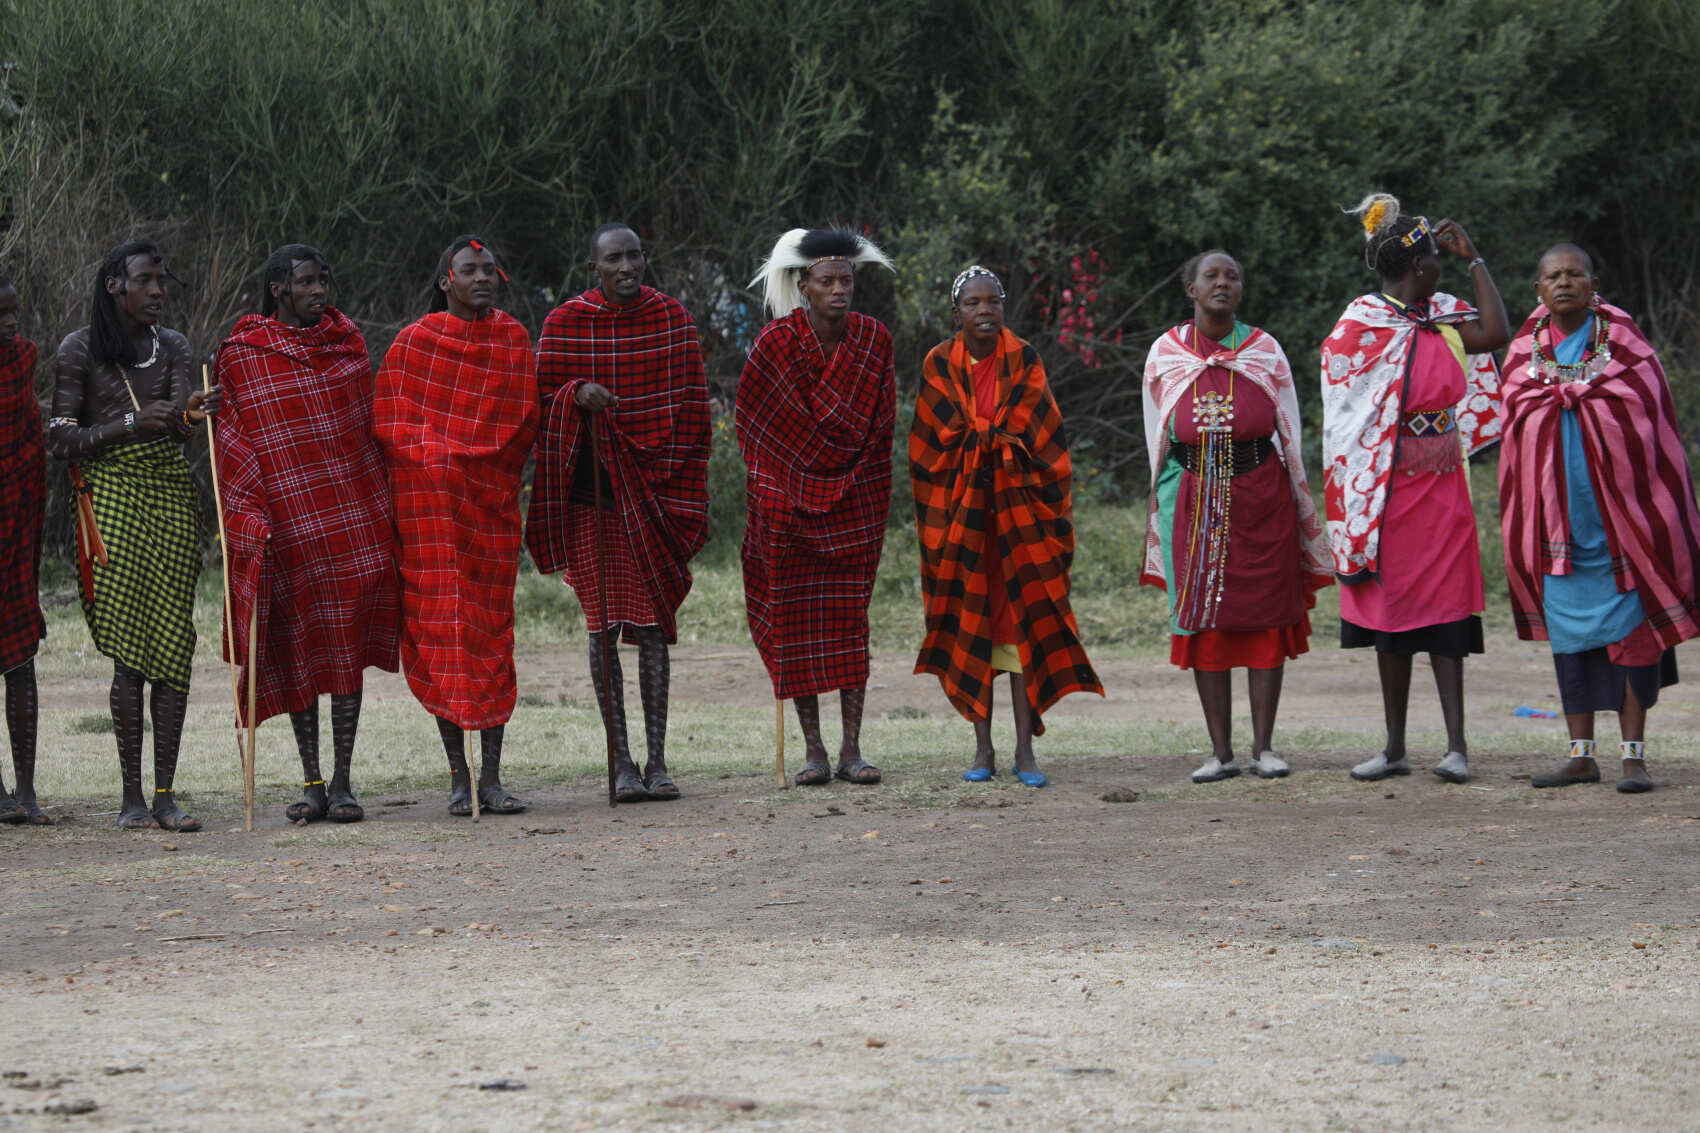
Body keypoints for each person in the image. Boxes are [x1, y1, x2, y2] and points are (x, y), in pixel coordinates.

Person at [1321, 194, 1510, 784]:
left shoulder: (1446, 314)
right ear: (1418, 267)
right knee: (1392, 618)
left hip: (1442, 484)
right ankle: (1395, 746)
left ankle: (1456, 747)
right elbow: (1345, 404)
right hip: (1385, 494)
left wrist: (1476, 260)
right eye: (1439, 261)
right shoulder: (1362, 325)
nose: (1442, 270)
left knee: (1448, 614)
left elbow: (1497, 332)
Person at [1499, 244, 1700, 793]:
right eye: (1552, 276)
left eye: (1573, 274)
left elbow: (1648, 419)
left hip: (1624, 522)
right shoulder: (1523, 351)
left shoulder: (1627, 345)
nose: (1563, 282)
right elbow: (1515, 421)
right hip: (1557, 527)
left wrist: (1583, 400)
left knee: (1633, 638)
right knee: (1572, 642)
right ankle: (1580, 755)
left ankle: (1633, 756)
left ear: (1593, 283)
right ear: (1538, 290)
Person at [214, 244, 400, 825]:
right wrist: (248, 518)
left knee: (344, 651)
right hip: (288, 525)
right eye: (306, 282)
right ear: (278, 289)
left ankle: (343, 782)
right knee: (300, 651)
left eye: (324, 280)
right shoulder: (243, 355)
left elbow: (362, 435)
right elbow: (234, 439)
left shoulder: (349, 348)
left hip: (351, 522)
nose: (319, 291)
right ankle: (313, 781)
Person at [526, 223, 710, 803]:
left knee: (652, 626)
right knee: (603, 627)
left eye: (634, 256)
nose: (627, 267)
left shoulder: (673, 321)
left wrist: (678, 482)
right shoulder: (566, 325)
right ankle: (620, 760)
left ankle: (657, 760)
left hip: (655, 494)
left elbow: (693, 410)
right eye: (614, 259)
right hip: (591, 498)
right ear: (593, 269)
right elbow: (537, 401)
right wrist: (576, 392)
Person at [1142, 251, 1332, 784]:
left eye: (1233, 277)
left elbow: (1288, 426)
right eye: (1212, 276)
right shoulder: (1167, 353)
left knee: (1267, 615)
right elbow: (1156, 432)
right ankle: (1219, 752)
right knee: (1205, 620)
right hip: (1193, 498)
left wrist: (1299, 501)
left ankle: (1264, 748)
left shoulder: (1263, 350)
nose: (1223, 283)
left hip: (1261, 496)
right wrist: (1161, 502)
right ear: (1191, 289)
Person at [48, 241, 219, 830]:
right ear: (115, 286)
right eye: (145, 281)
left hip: (169, 497)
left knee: (173, 643)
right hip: (110, 500)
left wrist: (190, 416)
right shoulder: (79, 348)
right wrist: (125, 424)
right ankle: (131, 798)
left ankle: (166, 794)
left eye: (162, 282)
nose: (157, 292)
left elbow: (174, 433)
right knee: (129, 650)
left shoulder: (171, 346)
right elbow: (59, 436)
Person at [911, 265, 1101, 787]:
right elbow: (930, 450)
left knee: (1018, 633)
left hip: (1020, 524)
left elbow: (1046, 441)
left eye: (992, 301)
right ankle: (982, 749)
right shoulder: (937, 365)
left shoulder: (1025, 360)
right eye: (973, 303)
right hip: (963, 526)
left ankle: (1024, 750)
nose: (985, 311)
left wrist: (996, 442)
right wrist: (980, 442)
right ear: (957, 314)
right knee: (972, 630)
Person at [378, 236, 538, 816]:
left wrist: (475, 463)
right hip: (432, 514)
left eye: (489, 270)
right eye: (469, 270)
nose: (482, 278)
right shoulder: (414, 343)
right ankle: (457, 777)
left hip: (489, 512)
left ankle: (492, 779)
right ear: (446, 279)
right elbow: (391, 422)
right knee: (443, 633)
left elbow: (523, 423)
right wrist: (436, 459)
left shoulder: (514, 339)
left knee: (491, 636)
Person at [739, 228, 895, 786]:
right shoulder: (774, 344)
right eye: (826, 281)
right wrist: (774, 497)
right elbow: (755, 433)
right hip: (788, 512)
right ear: (803, 286)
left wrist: (858, 491)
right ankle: (814, 751)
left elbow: (882, 432)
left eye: (846, 280)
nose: (838, 290)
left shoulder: (875, 340)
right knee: (796, 627)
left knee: (851, 627)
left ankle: (853, 749)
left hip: (855, 507)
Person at [0, 277, 49, 825]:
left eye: (14, 312)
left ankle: (28, 790)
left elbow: (31, 442)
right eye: (1, 315)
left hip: (16, 529)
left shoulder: (24, 363)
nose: (11, 323)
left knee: (21, 660)